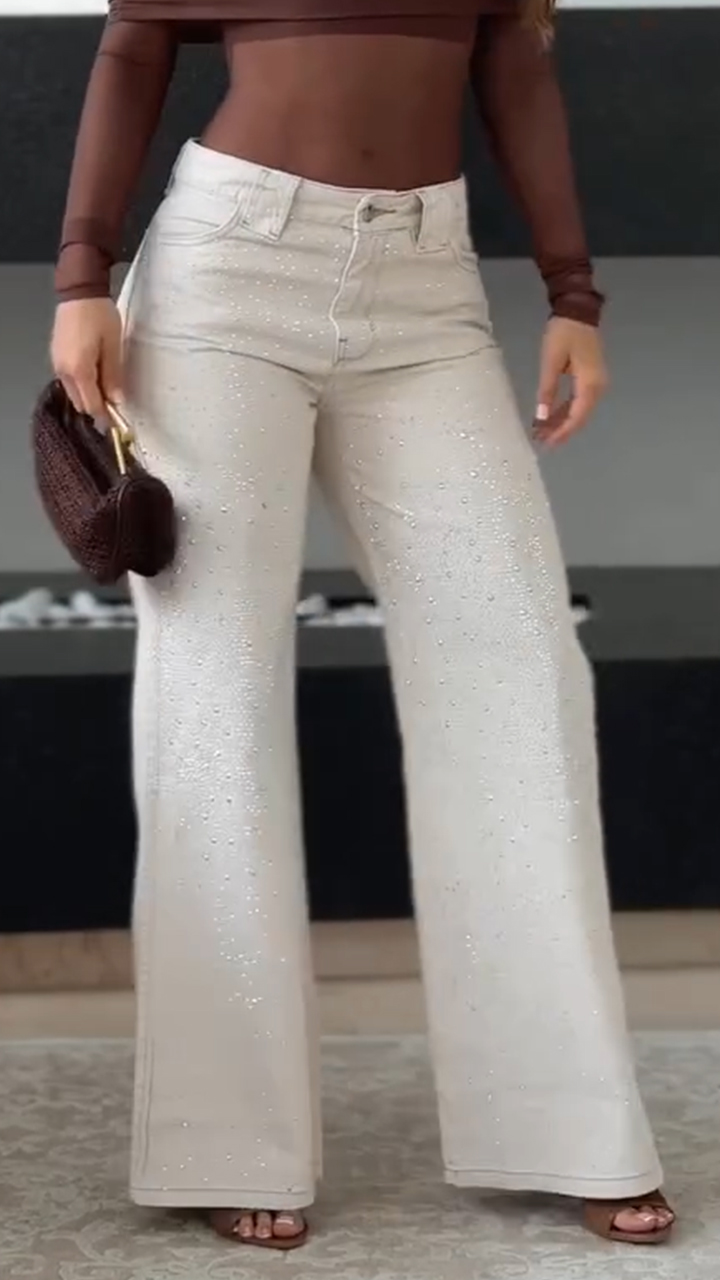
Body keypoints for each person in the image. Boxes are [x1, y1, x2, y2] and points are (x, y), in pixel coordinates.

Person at [50, 0, 675, 1252]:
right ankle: (226, 1140)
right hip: (228, 265)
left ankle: (567, 1124)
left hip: (426, 280)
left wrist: (574, 291)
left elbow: (512, 59)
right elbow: (133, 43)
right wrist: (82, 277)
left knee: (521, 674)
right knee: (214, 699)